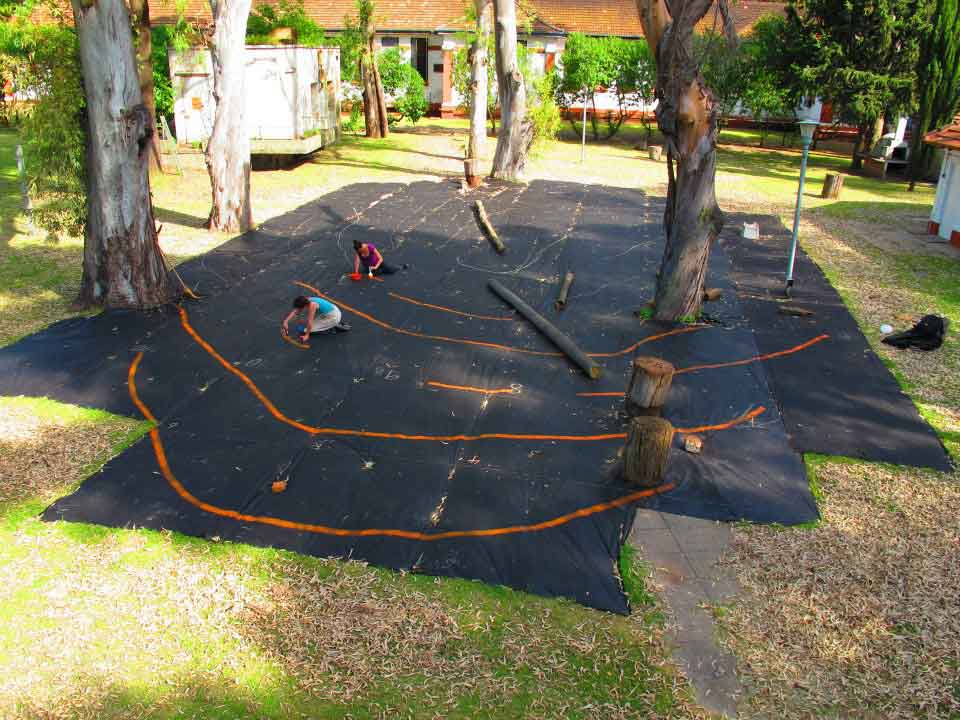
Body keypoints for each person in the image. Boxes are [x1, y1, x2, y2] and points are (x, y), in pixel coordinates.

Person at [282, 295, 350, 342]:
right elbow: (296, 311)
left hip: (333, 317)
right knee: (306, 325)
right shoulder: (307, 300)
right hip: (332, 311)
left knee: (305, 330)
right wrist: (286, 321)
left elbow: (309, 322)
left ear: (303, 306)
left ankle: (333, 326)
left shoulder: (312, 305)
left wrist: (307, 335)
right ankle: (331, 324)